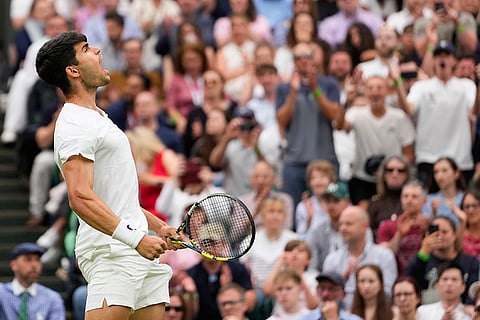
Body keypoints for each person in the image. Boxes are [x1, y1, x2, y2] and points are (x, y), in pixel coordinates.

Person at [35, 31, 180, 319]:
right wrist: (136, 239)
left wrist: (155, 225)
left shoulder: (98, 117)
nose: (98, 50)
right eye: (87, 49)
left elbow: (113, 197)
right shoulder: (75, 122)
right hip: (111, 252)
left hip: (134, 249)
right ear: (73, 70)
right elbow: (79, 198)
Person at [397, 41, 477, 188]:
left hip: (459, 158)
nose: (442, 59)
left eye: (447, 55)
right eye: (438, 55)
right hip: (428, 157)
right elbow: (408, 109)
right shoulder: (421, 87)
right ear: (433, 60)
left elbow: (475, 111)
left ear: (454, 60)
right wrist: (397, 82)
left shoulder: (466, 86)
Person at [276, 41, 341, 208]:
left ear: (314, 58)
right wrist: (293, 93)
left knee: (330, 209)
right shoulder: (284, 88)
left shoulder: (329, 84)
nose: (304, 60)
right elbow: (281, 120)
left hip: (325, 160)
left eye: (308, 56)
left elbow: (334, 116)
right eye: (299, 57)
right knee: (293, 210)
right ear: (293, 60)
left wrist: (315, 89)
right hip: (294, 161)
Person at [340, 76, 415, 207]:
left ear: (387, 91)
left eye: (379, 88)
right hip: (362, 177)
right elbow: (340, 126)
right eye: (370, 88)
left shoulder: (399, 117)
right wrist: (346, 102)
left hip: (392, 180)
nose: (375, 92)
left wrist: (392, 169)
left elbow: (409, 155)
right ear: (365, 92)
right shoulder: (356, 114)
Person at [322, 206, 398, 309]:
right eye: (341, 224)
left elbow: (388, 295)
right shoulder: (331, 259)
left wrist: (363, 276)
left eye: (349, 224)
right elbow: (326, 297)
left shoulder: (384, 256)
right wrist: (341, 281)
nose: (343, 228)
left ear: (365, 227)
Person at [403, 216, 479, 305]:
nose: (440, 236)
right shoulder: (423, 259)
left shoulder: (470, 262)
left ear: (454, 235)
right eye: (435, 232)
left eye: (445, 232)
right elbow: (407, 283)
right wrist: (423, 253)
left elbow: (474, 293)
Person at [0, 242, 65, 319]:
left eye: (37, 260)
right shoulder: (2, 293)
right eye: (28, 259)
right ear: (14, 265)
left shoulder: (52, 298)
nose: (34, 265)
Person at [376, 181, 429, 274]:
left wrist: (425, 234)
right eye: (405, 196)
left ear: (424, 201)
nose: (409, 200)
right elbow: (381, 256)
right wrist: (399, 234)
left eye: (414, 197)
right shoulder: (387, 226)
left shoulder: (430, 225)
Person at [305, 181, 352, 272]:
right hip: (324, 281)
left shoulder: (358, 227)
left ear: (346, 202)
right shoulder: (316, 230)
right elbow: (312, 268)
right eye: (328, 201)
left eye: (336, 201)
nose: (331, 205)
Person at [368, 155, 413, 237]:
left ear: (406, 175)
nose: (395, 174)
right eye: (390, 170)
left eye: (400, 170)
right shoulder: (375, 202)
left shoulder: (413, 201)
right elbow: (368, 232)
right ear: (384, 174)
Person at [299, 271, 363, 320]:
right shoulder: (305, 318)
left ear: (343, 295)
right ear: (316, 290)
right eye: (322, 288)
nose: (325, 294)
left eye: (332, 289)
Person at [422, 157, 466, 226]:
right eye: (436, 172)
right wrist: (433, 214)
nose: (439, 176)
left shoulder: (467, 199)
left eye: (444, 170)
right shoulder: (428, 200)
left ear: (456, 173)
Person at [459, 191, 480, 260]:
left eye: (474, 205)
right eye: (467, 207)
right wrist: (463, 222)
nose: (471, 210)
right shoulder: (460, 234)